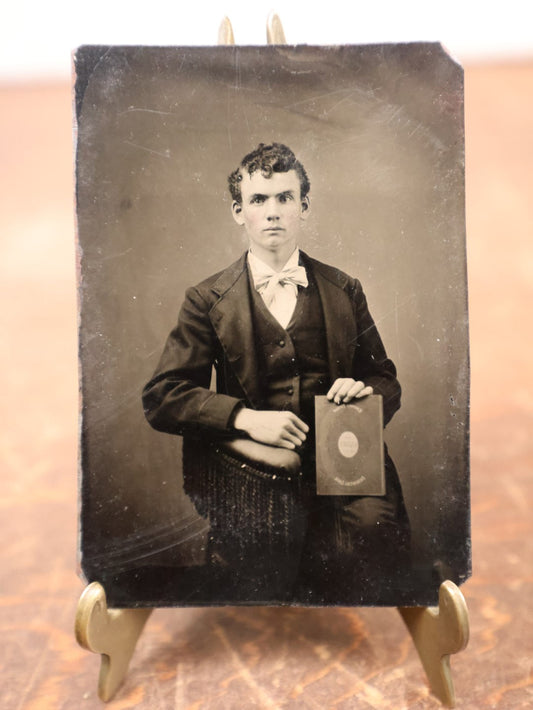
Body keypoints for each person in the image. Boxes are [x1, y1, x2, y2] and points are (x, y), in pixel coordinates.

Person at [142, 143, 409, 603]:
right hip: (254, 468)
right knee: (260, 572)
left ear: (303, 207)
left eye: (285, 198)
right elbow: (163, 396)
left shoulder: (344, 289)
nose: (272, 213)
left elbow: (386, 380)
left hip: (343, 463)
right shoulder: (207, 299)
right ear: (238, 211)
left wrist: (362, 389)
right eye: (259, 200)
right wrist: (244, 418)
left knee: (375, 536)